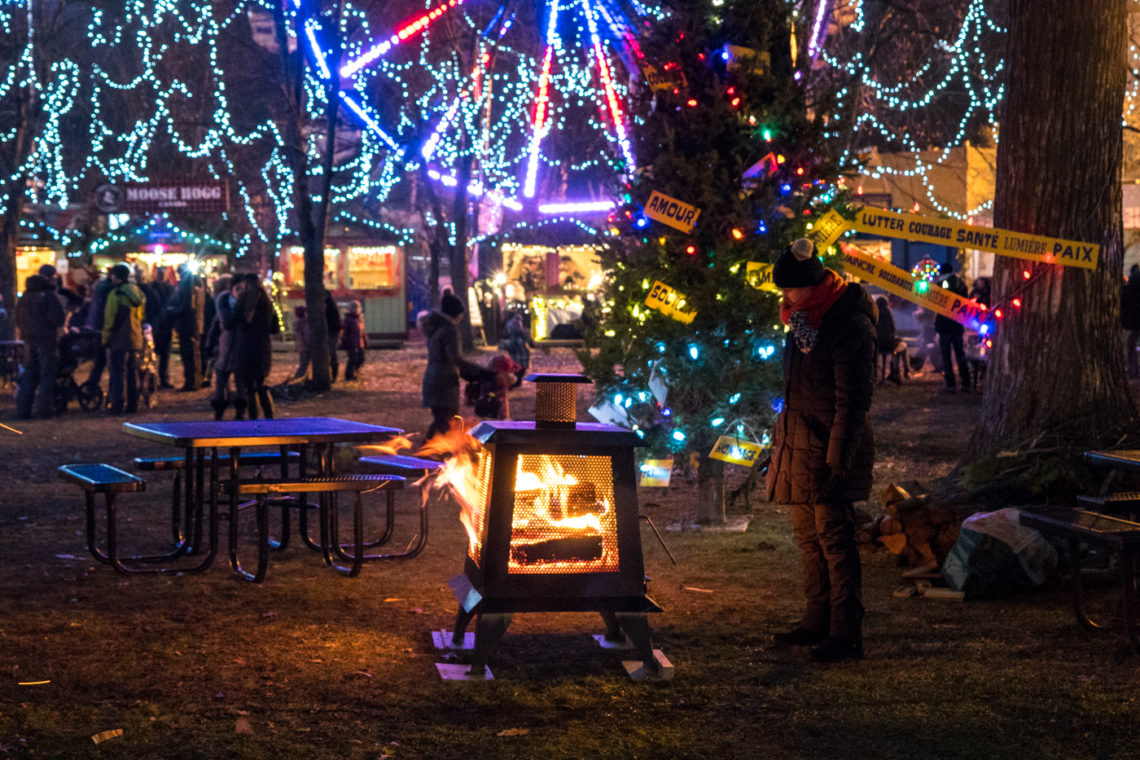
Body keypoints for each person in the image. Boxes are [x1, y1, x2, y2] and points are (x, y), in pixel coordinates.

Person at [766, 237, 876, 663]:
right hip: (800, 444)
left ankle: (845, 632)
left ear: (811, 287)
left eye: (790, 290)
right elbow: (796, 392)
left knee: (835, 541)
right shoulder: (802, 322)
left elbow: (852, 402)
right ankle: (816, 620)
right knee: (808, 538)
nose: (785, 298)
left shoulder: (848, 324)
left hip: (828, 448)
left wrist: (839, 460)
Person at [421, 292, 493, 439]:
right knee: (446, 422)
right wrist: (480, 372)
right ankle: (429, 454)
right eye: (460, 314)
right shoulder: (449, 330)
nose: (461, 317)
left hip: (432, 378)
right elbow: (454, 358)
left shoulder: (435, 329)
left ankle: (426, 453)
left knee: (441, 420)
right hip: (444, 381)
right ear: (456, 313)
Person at [227, 274, 280, 420]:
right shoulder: (266, 302)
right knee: (262, 385)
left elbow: (231, 323)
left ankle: (253, 418)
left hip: (245, 346)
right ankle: (269, 417)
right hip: (262, 347)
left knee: (250, 387)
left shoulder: (243, 300)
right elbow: (274, 328)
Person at [15, 271, 66, 418]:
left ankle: (23, 410)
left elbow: (18, 318)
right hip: (46, 340)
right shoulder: (48, 296)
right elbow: (58, 318)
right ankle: (44, 410)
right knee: (46, 375)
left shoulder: (25, 297)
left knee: (29, 374)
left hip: (28, 340)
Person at [101, 264, 146, 415]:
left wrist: (106, 338)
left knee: (117, 372)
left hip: (118, 338)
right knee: (133, 372)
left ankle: (117, 403)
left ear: (116, 276)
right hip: (135, 336)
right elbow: (141, 315)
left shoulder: (116, 294)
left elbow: (110, 318)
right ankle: (133, 404)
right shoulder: (137, 292)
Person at [166, 263, 206, 391]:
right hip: (195, 323)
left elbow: (187, 306)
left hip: (187, 324)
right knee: (195, 353)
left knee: (189, 354)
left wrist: (171, 310)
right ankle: (196, 380)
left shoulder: (187, 285)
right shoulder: (198, 284)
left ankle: (191, 382)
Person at [934, 261, 970, 393]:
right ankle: (966, 382)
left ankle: (950, 384)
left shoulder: (942, 284)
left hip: (945, 325)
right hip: (957, 324)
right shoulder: (960, 284)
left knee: (946, 356)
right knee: (960, 354)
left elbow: (939, 302)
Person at [208, 275, 239, 420]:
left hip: (226, 345)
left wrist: (209, 344)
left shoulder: (222, 300)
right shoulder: (237, 300)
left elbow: (218, 325)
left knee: (221, 379)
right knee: (237, 381)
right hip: (234, 345)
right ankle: (239, 413)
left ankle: (220, 413)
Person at [151, 266, 175, 389]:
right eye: (159, 273)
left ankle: (163, 379)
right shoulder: (151, 288)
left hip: (166, 325)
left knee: (165, 355)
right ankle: (152, 380)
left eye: (163, 273)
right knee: (152, 354)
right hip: (154, 325)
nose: (161, 275)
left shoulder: (171, 288)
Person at [500, 311, 536, 388]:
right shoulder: (522, 334)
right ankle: (517, 381)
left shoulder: (514, 333)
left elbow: (512, 345)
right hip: (523, 359)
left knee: (516, 371)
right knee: (519, 372)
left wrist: (503, 345)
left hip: (517, 359)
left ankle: (515, 382)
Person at [874, 296, 900, 385]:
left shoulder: (876, 313)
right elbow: (893, 328)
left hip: (878, 343)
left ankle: (876, 375)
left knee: (875, 356)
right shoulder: (887, 312)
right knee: (898, 351)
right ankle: (895, 373)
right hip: (888, 343)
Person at [340, 300, 367, 381]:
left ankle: (354, 371)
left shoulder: (359, 318)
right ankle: (349, 375)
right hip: (351, 342)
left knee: (361, 358)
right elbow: (346, 332)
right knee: (352, 359)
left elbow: (362, 331)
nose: (357, 309)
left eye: (358, 307)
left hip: (359, 342)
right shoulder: (349, 319)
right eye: (355, 307)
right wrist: (346, 342)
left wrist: (365, 340)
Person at [1122, 264, 1140, 379]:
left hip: (1130, 324)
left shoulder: (1126, 290)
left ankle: (1132, 371)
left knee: (1129, 348)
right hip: (1134, 323)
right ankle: (1133, 370)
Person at [323, 289, 342, 383]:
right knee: (332, 353)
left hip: (331, 331)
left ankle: (333, 375)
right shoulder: (331, 305)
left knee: (331, 353)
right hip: (332, 331)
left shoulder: (328, 306)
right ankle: (333, 375)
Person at [290, 304, 311, 381]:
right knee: (304, 363)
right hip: (305, 346)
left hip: (301, 346)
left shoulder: (296, 323)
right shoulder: (304, 324)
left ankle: (301, 376)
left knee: (303, 362)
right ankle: (298, 377)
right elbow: (307, 336)